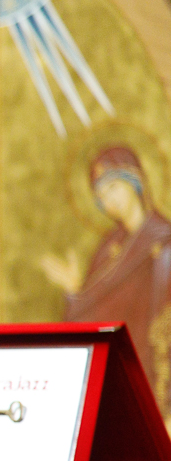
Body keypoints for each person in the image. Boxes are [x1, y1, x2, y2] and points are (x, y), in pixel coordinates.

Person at [40, 145, 171, 413]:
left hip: (154, 371)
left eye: (112, 188)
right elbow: (91, 314)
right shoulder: (108, 247)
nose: (109, 201)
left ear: (134, 181)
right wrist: (75, 292)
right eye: (100, 197)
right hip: (118, 368)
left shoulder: (163, 243)